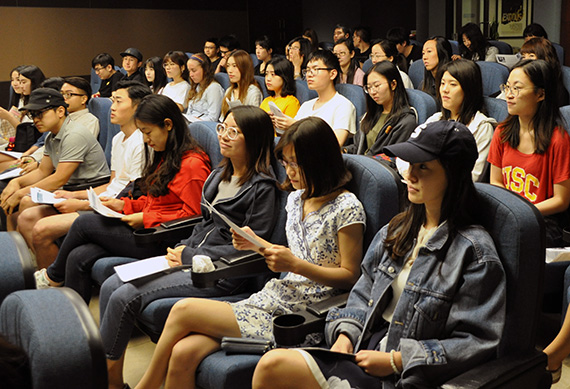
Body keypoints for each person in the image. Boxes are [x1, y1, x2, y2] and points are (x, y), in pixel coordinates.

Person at [252, 120, 506, 389]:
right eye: (410, 165)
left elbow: (474, 341)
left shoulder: (474, 251)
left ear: (453, 174)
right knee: (271, 367)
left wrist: (397, 360)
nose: (410, 175)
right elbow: (363, 292)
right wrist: (345, 335)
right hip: (363, 349)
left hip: (406, 372)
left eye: (424, 167)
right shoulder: (397, 229)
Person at [135, 116, 366, 389]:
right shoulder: (296, 198)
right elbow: (299, 254)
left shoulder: (347, 207)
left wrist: (294, 265)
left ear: (319, 160)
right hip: (276, 297)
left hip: (303, 314)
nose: (289, 171)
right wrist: (258, 245)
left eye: (296, 163)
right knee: (184, 352)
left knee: (183, 309)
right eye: (286, 163)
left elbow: (351, 277)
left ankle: (145, 386)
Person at [98, 106, 278, 389]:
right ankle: (111, 378)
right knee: (112, 284)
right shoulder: (220, 175)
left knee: (126, 296)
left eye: (234, 132)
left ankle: (109, 383)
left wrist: (191, 255)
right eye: (222, 128)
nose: (224, 137)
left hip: (221, 274)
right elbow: (203, 223)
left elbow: (251, 248)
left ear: (253, 139)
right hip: (190, 260)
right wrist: (182, 248)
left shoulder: (262, 188)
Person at [34, 94, 212, 302]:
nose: (146, 140)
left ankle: (52, 276)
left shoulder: (192, 164)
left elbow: (194, 216)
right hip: (149, 227)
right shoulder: (167, 155)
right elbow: (158, 200)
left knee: (83, 223)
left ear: (168, 125)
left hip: (164, 238)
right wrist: (125, 204)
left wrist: (145, 218)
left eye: (148, 132)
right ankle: (74, 321)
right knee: (78, 256)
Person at [17, 81, 149, 269]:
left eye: (118, 102)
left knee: (41, 228)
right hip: (105, 200)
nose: (112, 107)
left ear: (138, 106)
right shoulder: (118, 138)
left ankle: (53, 278)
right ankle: (41, 271)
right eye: (112, 101)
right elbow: (112, 184)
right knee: (27, 217)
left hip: (117, 209)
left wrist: (82, 204)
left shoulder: (141, 142)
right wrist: (73, 195)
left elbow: (129, 193)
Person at [0, 88, 110, 230]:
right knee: (12, 213)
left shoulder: (74, 134)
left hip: (88, 189)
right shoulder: (51, 136)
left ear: (60, 111)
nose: (36, 120)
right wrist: (17, 182)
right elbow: (42, 171)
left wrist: (20, 192)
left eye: (40, 113)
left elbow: (59, 179)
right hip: (69, 187)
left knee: (26, 202)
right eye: (33, 115)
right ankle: (14, 249)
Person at [488, 59, 570, 247]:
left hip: (543, 220)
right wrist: (509, 212)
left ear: (540, 94)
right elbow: (496, 181)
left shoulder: (558, 139)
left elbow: (561, 200)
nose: (508, 95)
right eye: (507, 87)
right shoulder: (502, 131)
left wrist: (522, 213)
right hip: (508, 215)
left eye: (517, 89)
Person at [424, 59, 495, 181]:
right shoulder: (436, 119)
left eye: (453, 84)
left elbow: (474, 176)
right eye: (442, 83)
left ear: (469, 89)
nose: (445, 90)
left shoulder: (481, 127)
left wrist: (431, 178)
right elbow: (406, 156)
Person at [272, 50, 356, 146]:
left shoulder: (343, 105)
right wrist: (280, 124)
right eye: (307, 70)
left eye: (315, 69)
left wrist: (296, 126)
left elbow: (335, 144)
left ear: (332, 74)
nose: (309, 74)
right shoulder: (306, 105)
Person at [345, 61, 416, 156]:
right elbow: (359, 147)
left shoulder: (405, 121)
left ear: (393, 84)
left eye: (377, 86)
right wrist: (344, 150)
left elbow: (394, 158)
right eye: (369, 87)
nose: (372, 92)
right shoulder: (370, 115)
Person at [519, 37, 569, 107]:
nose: (525, 61)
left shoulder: (555, 90)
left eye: (531, 56)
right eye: (523, 57)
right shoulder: (522, 81)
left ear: (544, 59)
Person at [259, 57, 300, 133]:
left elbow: (291, 133)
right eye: (266, 74)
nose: (268, 78)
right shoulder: (266, 100)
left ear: (284, 77)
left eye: (273, 74)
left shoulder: (291, 102)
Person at [220, 50, 263, 118]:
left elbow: (254, 122)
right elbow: (223, 118)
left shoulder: (253, 92)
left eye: (235, 66)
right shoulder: (229, 91)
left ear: (245, 68)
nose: (230, 70)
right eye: (228, 66)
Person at [184, 53, 225, 122]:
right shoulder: (196, 87)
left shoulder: (214, 88)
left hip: (203, 126)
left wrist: (195, 121)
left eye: (194, 70)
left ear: (205, 70)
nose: (191, 75)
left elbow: (213, 118)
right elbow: (189, 113)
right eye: (189, 71)